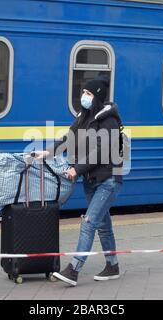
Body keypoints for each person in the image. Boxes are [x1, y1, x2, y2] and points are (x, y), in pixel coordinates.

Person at [36, 78, 124, 286]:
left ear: (98, 97)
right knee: (103, 225)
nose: (84, 97)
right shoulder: (84, 117)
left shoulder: (109, 121)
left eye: (89, 93)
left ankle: (74, 269)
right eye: (83, 91)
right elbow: (68, 139)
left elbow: (101, 153)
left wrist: (77, 169)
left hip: (108, 179)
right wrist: (47, 152)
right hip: (91, 180)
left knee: (89, 222)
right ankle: (112, 265)